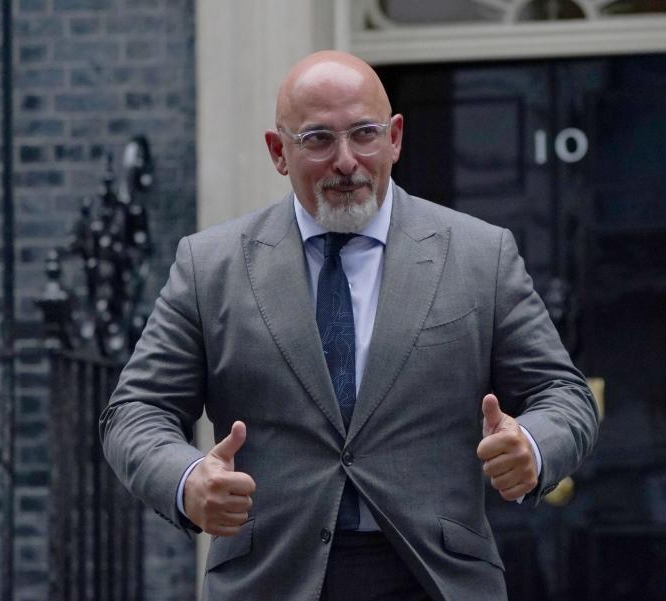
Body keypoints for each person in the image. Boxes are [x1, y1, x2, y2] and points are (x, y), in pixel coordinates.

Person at [99, 50, 599, 601]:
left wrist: (533, 443)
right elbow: (136, 411)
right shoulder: (209, 266)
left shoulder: (481, 254)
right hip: (269, 579)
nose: (346, 161)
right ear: (278, 151)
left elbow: (563, 394)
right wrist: (186, 479)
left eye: (365, 133)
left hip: (435, 579)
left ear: (395, 138)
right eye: (317, 139)